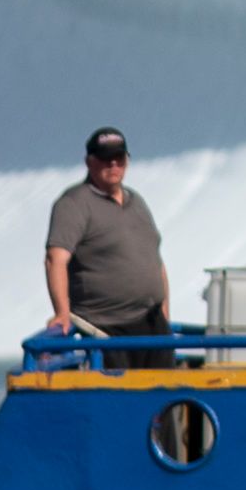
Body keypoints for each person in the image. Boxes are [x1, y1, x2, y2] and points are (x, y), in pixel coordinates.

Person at [44, 127, 172, 366]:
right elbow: (55, 260)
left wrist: (164, 310)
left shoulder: (136, 201)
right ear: (89, 162)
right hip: (106, 327)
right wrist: (62, 312)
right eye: (105, 159)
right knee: (123, 399)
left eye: (119, 158)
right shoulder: (74, 203)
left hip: (151, 322)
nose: (113, 165)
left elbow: (154, 259)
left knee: (164, 398)